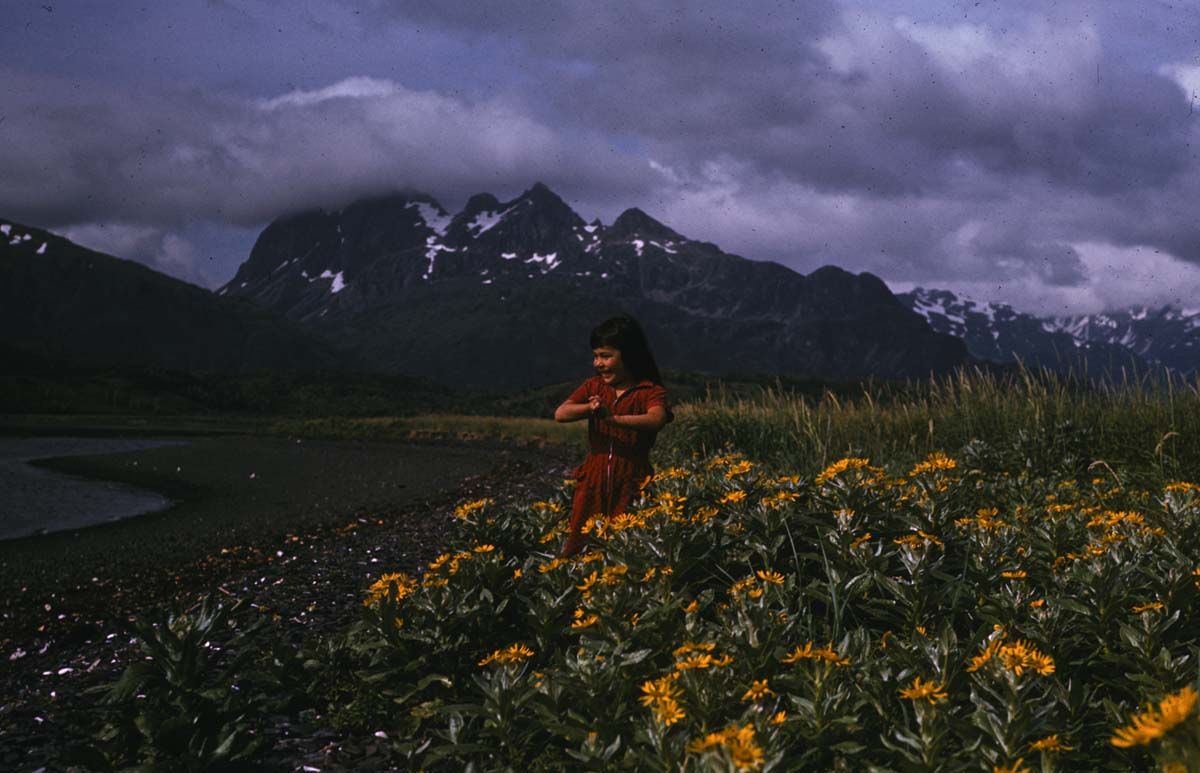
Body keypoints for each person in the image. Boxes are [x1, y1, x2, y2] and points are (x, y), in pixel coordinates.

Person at [553, 314, 674, 557]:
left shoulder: (649, 391)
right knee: (580, 542)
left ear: (629, 355)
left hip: (633, 478)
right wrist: (590, 409)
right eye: (596, 356)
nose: (598, 363)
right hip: (593, 479)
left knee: (628, 545)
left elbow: (656, 419)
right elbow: (561, 413)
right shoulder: (593, 387)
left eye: (606, 356)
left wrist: (612, 420)